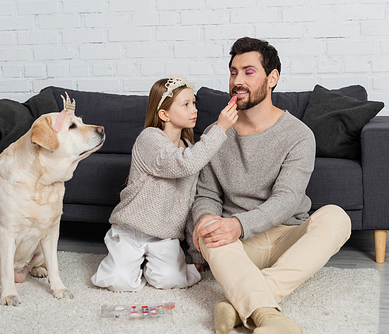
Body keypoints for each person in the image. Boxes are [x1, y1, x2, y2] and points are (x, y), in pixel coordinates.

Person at [187, 37, 351, 334]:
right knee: (208, 232)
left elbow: (288, 199)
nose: (238, 80)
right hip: (239, 244)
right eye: (233, 72)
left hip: (289, 234)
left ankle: (242, 304)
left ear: (272, 78)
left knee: (337, 218)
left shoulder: (299, 135)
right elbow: (207, 194)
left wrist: (238, 223)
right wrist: (207, 219)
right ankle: (269, 318)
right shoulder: (216, 133)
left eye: (249, 72)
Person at [91, 76, 238, 291]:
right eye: (186, 104)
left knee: (172, 280)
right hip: (131, 230)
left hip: (164, 235)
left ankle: (150, 263)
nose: (194, 110)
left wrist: (195, 253)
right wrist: (221, 128)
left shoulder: (190, 147)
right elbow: (181, 164)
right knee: (118, 281)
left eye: (194, 103)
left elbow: (190, 202)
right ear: (164, 114)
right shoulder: (149, 138)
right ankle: (130, 263)